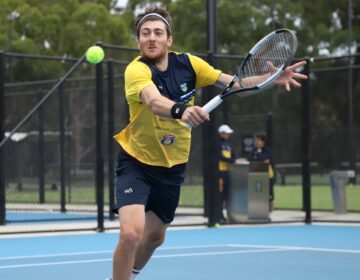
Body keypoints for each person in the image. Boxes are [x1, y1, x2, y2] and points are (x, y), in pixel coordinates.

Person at [109, 6, 307, 280]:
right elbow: (154, 101)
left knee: (154, 238)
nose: (151, 38)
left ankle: (129, 273)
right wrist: (181, 109)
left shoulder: (189, 64)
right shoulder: (136, 70)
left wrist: (271, 78)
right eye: (145, 33)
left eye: (157, 32)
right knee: (131, 234)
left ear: (169, 40)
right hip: (136, 163)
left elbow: (235, 83)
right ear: (138, 41)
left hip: (172, 167)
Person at [249, 134, 276, 213]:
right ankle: (259, 210)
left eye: (258, 140)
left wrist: (259, 154)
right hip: (256, 175)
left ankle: (270, 211)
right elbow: (249, 159)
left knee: (269, 194)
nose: (256, 142)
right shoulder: (254, 150)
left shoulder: (268, 150)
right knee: (258, 192)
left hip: (268, 175)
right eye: (255, 141)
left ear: (263, 141)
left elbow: (265, 160)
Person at [217, 124, 236, 222]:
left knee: (225, 195)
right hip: (219, 173)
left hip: (227, 173)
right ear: (221, 133)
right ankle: (219, 215)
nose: (228, 135)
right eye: (226, 133)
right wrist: (230, 160)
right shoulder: (217, 144)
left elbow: (233, 156)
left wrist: (232, 159)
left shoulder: (228, 145)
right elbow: (219, 157)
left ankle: (224, 215)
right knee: (220, 195)